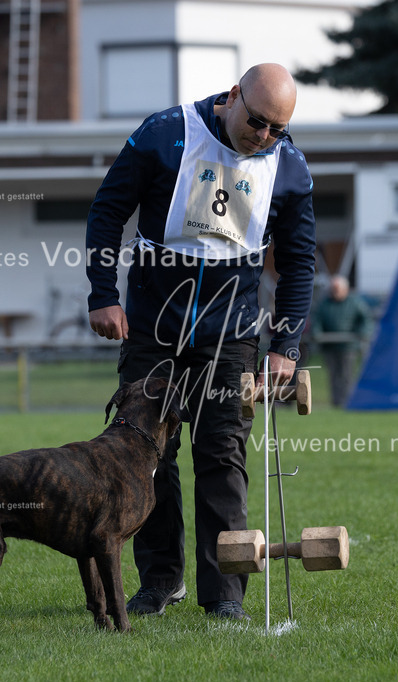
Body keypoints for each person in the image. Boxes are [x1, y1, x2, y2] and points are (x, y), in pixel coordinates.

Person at [86, 64, 315, 621]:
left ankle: (225, 594)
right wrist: (101, 293)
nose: (262, 137)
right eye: (256, 121)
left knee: (221, 454)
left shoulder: (289, 166)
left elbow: (300, 262)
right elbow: (107, 211)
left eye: (276, 130)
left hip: (231, 333)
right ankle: (160, 582)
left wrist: (285, 346)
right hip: (152, 326)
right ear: (233, 96)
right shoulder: (164, 134)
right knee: (147, 456)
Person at [313, 275, 371, 407]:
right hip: (330, 345)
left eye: (337, 289)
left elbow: (365, 319)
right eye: (333, 289)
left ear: (345, 289)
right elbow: (317, 320)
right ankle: (336, 402)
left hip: (348, 346)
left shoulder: (355, 303)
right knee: (334, 375)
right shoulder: (325, 304)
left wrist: (363, 332)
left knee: (346, 375)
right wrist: (317, 333)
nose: (335, 292)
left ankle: (348, 401)